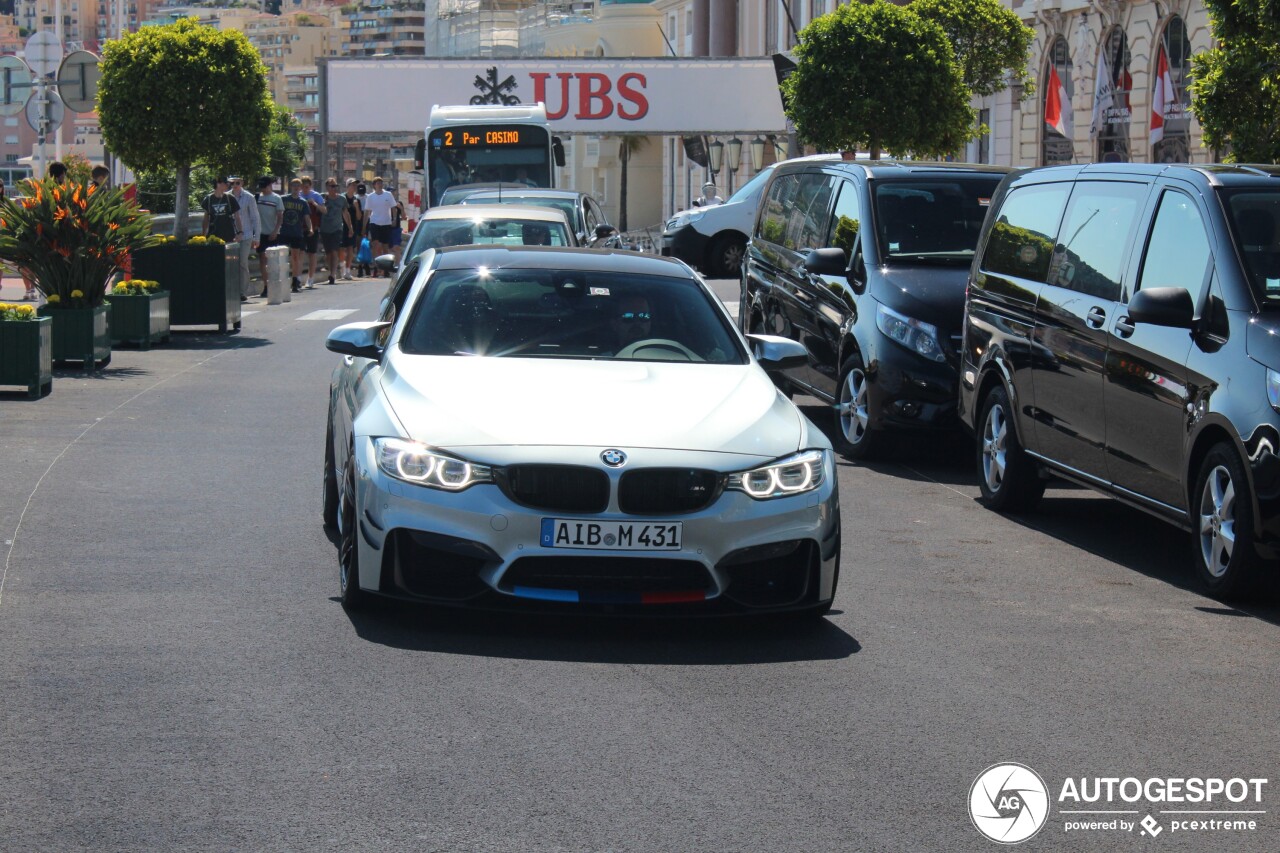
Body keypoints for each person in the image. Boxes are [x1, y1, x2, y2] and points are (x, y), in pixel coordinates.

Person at [228, 176, 260, 302]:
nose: (235, 185)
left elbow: (255, 218)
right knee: (230, 263)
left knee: (242, 262)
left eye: (237, 183)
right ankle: (231, 289)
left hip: (246, 235)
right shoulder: (226, 196)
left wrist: (256, 237)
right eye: (232, 183)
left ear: (242, 183)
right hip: (231, 235)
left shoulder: (249, 197)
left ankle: (242, 291)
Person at [279, 178, 312, 292]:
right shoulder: (283, 199)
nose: (296, 187)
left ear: (301, 187)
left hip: (296, 232)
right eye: (294, 185)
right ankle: (282, 280)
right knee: (282, 257)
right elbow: (278, 214)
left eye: (298, 185)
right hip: (283, 231)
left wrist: (310, 228)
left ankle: (295, 281)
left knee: (295, 257)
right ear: (290, 186)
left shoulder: (303, 202)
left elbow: (307, 217)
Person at [320, 179, 353, 285]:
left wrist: (350, 227)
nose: (334, 188)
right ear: (327, 188)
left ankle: (333, 274)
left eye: (335, 186)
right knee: (328, 253)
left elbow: (345, 213)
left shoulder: (342, 199)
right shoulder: (323, 197)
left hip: (337, 228)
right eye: (331, 186)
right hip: (325, 229)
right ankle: (331, 271)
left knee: (334, 251)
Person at [361, 176, 396, 276]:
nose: (380, 185)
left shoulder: (388, 195)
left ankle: (386, 268)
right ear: (374, 185)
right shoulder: (370, 197)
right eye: (377, 183)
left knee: (385, 246)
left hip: (386, 222)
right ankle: (376, 267)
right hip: (374, 222)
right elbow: (367, 212)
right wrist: (364, 227)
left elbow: (393, 207)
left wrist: (394, 219)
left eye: (381, 183)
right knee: (376, 245)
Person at [255, 177, 283, 297]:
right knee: (262, 258)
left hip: (272, 233)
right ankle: (266, 285)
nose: (263, 188)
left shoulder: (276, 198)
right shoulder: (256, 198)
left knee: (273, 261)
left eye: (264, 185)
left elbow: (280, 216)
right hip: (260, 233)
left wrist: (276, 231)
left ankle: (275, 284)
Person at [299, 176, 326, 288]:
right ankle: (298, 278)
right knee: (299, 253)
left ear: (310, 186)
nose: (305, 189)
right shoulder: (298, 195)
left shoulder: (316, 196)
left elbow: (324, 210)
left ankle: (310, 278)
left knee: (312, 253)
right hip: (300, 228)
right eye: (303, 187)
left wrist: (314, 203)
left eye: (307, 187)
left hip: (313, 228)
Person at [201, 176, 241, 243]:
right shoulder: (208, 199)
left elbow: (237, 217)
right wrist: (203, 236)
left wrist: (240, 232)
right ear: (218, 184)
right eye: (226, 183)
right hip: (213, 237)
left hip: (229, 236)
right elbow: (206, 219)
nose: (228, 185)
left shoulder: (230, 198)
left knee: (229, 253)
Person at [341, 178, 362, 280]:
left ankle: (348, 270)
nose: (354, 187)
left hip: (353, 227)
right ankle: (342, 267)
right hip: (342, 226)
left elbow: (359, 217)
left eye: (355, 186)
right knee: (341, 249)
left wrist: (357, 207)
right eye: (352, 185)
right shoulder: (342, 198)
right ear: (347, 186)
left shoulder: (356, 200)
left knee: (350, 249)